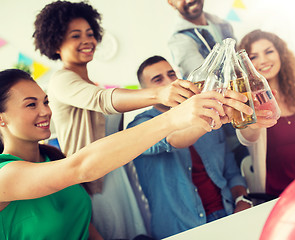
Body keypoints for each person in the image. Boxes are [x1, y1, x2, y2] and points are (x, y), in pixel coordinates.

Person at [0, 68, 244, 239]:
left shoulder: (52, 158)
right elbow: (81, 167)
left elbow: (86, 228)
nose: (45, 111)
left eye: (45, 102)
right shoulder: (5, 175)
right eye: (31, 104)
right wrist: (172, 118)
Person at [32, 1, 201, 239]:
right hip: (95, 186)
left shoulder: (91, 84)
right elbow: (101, 100)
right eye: (75, 35)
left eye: (90, 34)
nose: (87, 40)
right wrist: (160, 93)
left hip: (122, 179)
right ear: (56, 42)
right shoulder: (61, 80)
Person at [127, 56, 254, 239]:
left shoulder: (207, 112)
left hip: (228, 216)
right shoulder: (139, 126)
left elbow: (231, 172)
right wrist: (211, 118)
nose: (171, 82)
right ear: (145, 91)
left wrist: (242, 200)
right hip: (180, 230)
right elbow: (172, 139)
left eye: (172, 75)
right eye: (158, 79)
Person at [236, 29, 295, 198]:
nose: (264, 60)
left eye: (269, 52)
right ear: (245, 64)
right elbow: (246, 138)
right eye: (254, 56)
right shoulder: (247, 100)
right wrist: (253, 121)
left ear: (280, 54)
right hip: (277, 194)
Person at [167, 0, 249, 170]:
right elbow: (206, 83)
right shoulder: (180, 39)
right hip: (225, 130)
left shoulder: (223, 24)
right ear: (170, 2)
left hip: (248, 112)